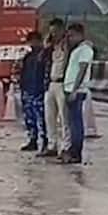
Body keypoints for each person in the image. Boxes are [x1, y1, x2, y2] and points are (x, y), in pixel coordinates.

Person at [62, 23, 94, 165]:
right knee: (71, 122)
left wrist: (75, 90)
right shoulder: (76, 50)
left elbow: (82, 70)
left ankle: (76, 152)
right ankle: (72, 150)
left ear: (80, 34)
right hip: (69, 88)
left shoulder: (85, 50)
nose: (70, 39)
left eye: (72, 36)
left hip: (77, 90)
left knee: (76, 123)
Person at [40, 19, 68, 158]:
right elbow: (41, 59)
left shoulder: (68, 45)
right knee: (49, 116)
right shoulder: (51, 47)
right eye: (52, 32)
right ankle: (52, 145)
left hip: (63, 83)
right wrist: (47, 45)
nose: (54, 34)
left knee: (64, 118)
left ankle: (65, 146)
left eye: (56, 31)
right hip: (51, 82)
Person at [17, 31, 48, 152]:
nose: (32, 44)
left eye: (34, 41)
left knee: (41, 118)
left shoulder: (44, 55)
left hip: (39, 90)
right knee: (29, 117)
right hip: (27, 89)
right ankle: (32, 139)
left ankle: (45, 141)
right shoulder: (28, 56)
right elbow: (23, 72)